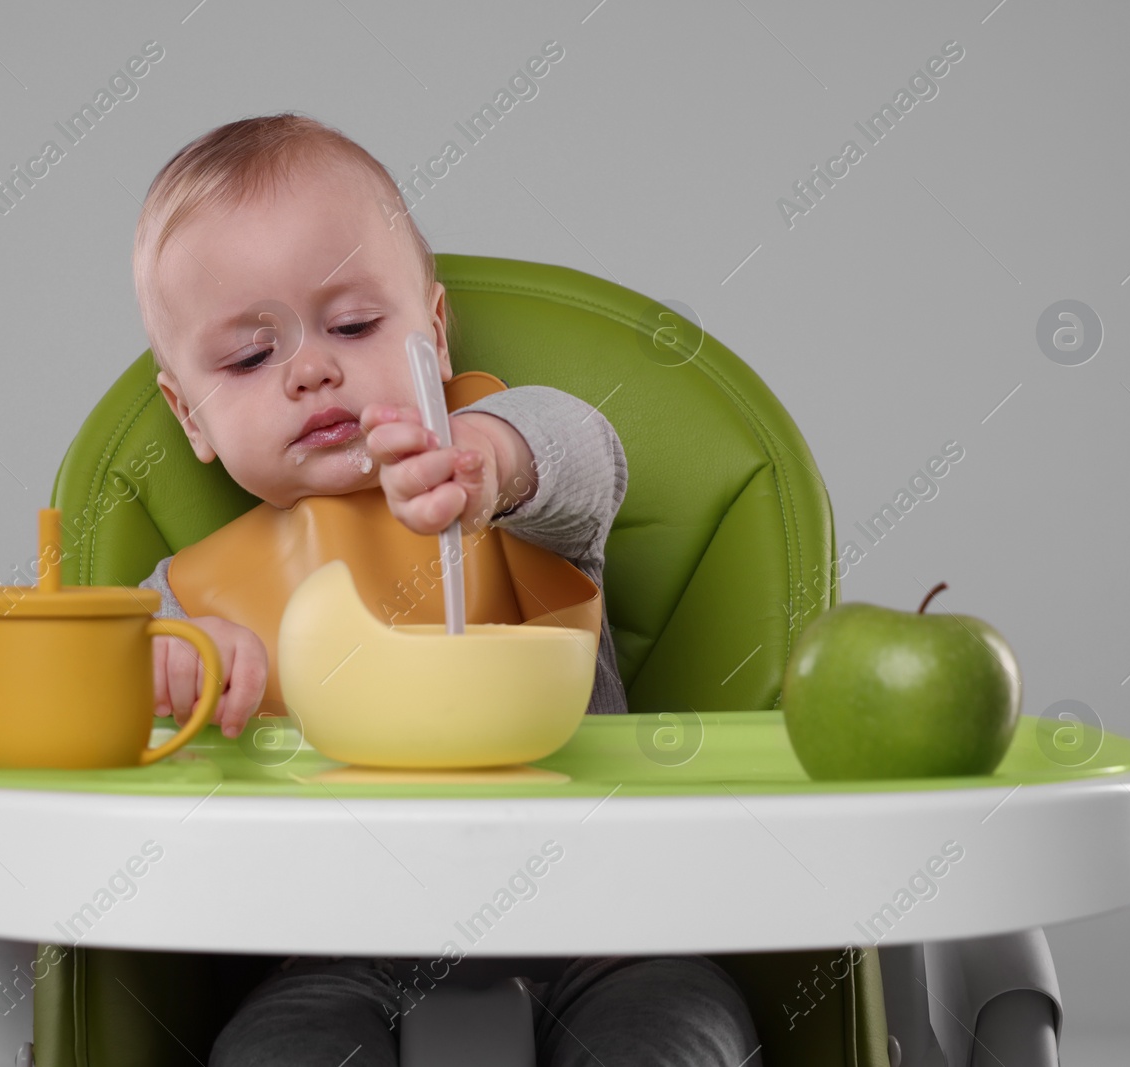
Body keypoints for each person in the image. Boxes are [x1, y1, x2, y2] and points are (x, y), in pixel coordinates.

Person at [130, 111, 762, 1066]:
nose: (311, 367)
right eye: (251, 357)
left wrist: (490, 467)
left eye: (353, 324)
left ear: (433, 329)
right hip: (335, 950)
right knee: (275, 1050)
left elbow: (586, 452)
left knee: (670, 1030)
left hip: (605, 921)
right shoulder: (192, 593)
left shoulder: (504, 481)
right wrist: (172, 668)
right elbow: (96, 702)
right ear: (191, 415)